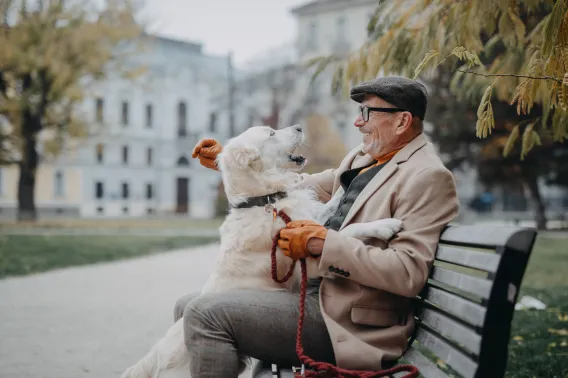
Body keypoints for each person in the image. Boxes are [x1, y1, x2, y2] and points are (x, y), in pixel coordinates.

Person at [176, 76, 460, 377]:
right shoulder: (366, 158)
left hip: (347, 321)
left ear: (402, 121)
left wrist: (323, 243)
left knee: (203, 314)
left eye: (366, 113)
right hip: (312, 295)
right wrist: (236, 161)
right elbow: (299, 185)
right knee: (188, 305)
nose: (357, 122)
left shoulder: (427, 176)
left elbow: (407, 273)